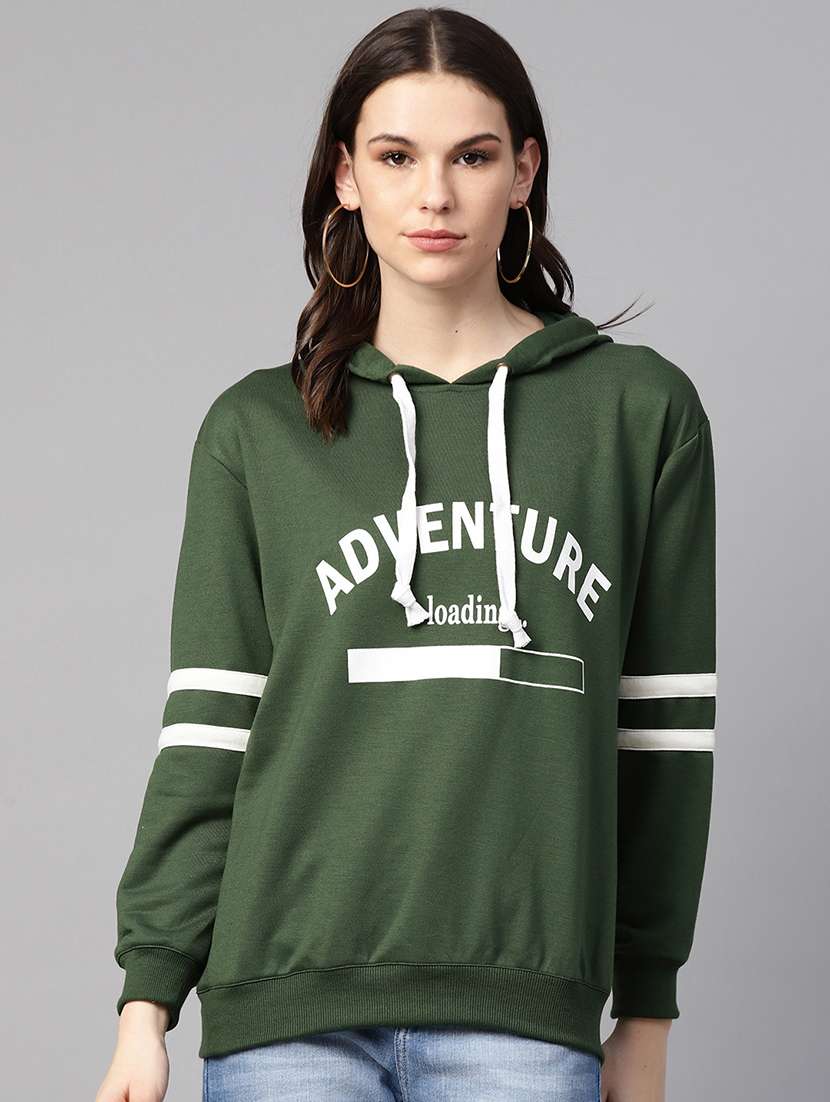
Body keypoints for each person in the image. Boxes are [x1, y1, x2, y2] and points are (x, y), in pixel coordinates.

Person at [95, 8, 717, 1102]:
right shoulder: (258, 431)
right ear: (346, 177)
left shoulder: (637, 414)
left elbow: (662, 738)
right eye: (395, 157)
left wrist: (647, 1011)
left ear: (523, 172)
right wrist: (146, 1006)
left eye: (471, 156)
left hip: (523, 1015)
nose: (434, 195)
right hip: (283, 1010)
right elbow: (209, 732)